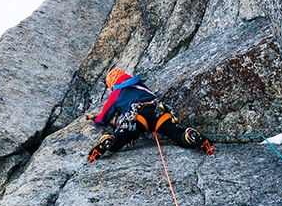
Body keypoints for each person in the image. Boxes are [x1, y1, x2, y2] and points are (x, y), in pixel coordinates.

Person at [87, 68, 216, 162]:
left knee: (120, 139)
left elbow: (103, 119)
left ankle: (110, 140)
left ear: (111, 85)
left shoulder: (115, 94)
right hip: (159, 112)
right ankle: (188, 135)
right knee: (177, 134)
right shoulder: (141, 85)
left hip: (138, 117)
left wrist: (94, 118)